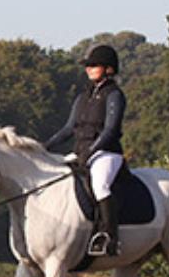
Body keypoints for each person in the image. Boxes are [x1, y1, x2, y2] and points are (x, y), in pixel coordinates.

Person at [44, 44, 125, 257]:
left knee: (100, 185)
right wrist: (44, 147)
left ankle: (110, 237)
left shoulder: (114, 95)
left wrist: (90, 151)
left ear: (108, 68)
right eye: (87, 66)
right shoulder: (83, 97)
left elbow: (110, 130)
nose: (88, 69)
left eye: (93, 65)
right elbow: (69, 128)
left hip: (106, 153)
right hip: (80, 152)